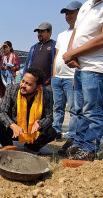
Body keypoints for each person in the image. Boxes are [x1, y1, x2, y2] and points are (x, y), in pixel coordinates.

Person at [61, 0, 103, 161]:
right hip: (79, 68)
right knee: (79, 110)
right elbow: (76, 32)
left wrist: (74, 52)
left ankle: (90, 148)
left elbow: (101, 39)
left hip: (94, 67)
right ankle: (79, 144)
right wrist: (70, 54)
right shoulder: (87, 5)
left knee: (93, 111)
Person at [0, 68, 56, 154]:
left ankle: (31, 147)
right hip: (15, 131)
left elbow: (49, 117)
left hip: (33, 132)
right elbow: (2, 112)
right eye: (23, 81)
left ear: (38, 87)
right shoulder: (12, 89)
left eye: (28, 84)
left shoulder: (46, 95)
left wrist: (40, 124)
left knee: (51, 132)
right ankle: (9, 147)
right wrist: (12, 125)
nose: (22, 85)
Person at [52, 1, 82, 149]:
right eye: (66, 13)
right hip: (58, 77)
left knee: (74, 109)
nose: (67, 16)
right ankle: (56, 130)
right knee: (58, 106)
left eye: (71, 12)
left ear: (80, 13)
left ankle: (72, 134)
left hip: (72, 76)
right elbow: (57, 55)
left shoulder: (82, 32)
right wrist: (54, 74)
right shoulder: (61, 34)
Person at [23, 22, 56, 92]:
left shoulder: (54, 46)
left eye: (42, 31)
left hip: (48, 84)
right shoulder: (34, 47)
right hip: (33, 83)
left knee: (47, 101)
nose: (39, 34)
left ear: (49, 32)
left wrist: (52, 78)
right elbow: (27, 64)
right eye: (38, 32)